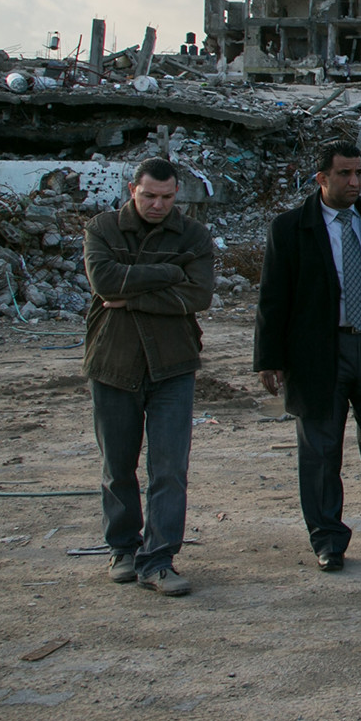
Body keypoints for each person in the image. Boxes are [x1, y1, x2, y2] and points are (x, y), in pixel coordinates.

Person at [255, 142, 361, 572]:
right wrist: (268, 358)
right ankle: (328, 539)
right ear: (321, 179)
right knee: (320, 450)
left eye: (358, 173)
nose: (354, 182)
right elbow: (272, 299)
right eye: (344, 174)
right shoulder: (291, 228)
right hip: (318, 354)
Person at [83, 158, 215, 596]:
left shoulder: (193, 235)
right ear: (132, 189)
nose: (158, 205)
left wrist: (131, 296)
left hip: (173, 364)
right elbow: (104, 282)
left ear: (178, 195)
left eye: (168, 198)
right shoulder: (102, 228)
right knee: (118, 465)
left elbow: (198, 294)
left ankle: (159, 560)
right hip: (114, 361)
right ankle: (122, 548)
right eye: (149, 196)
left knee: (169, 469)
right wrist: (167, 273)